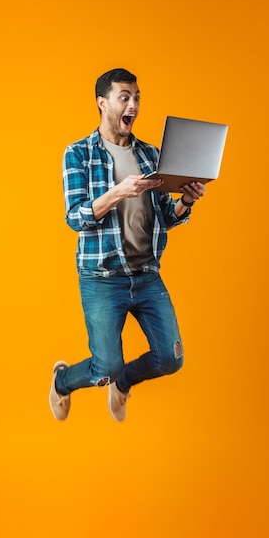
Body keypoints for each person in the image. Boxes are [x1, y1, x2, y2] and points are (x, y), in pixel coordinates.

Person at [49, 68, 206, 422]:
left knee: (171, 358)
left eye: (136, 98)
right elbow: (75, 217)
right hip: (102, 277)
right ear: (102, 103)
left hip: (146, 274)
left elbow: (165, 216)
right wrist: (120, 191)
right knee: (105, 367)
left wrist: (186, 201)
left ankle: (125, 383)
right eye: (124, 97)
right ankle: (62, 382)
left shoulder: (151, 155)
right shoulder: (78, 154)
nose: (132, 105)